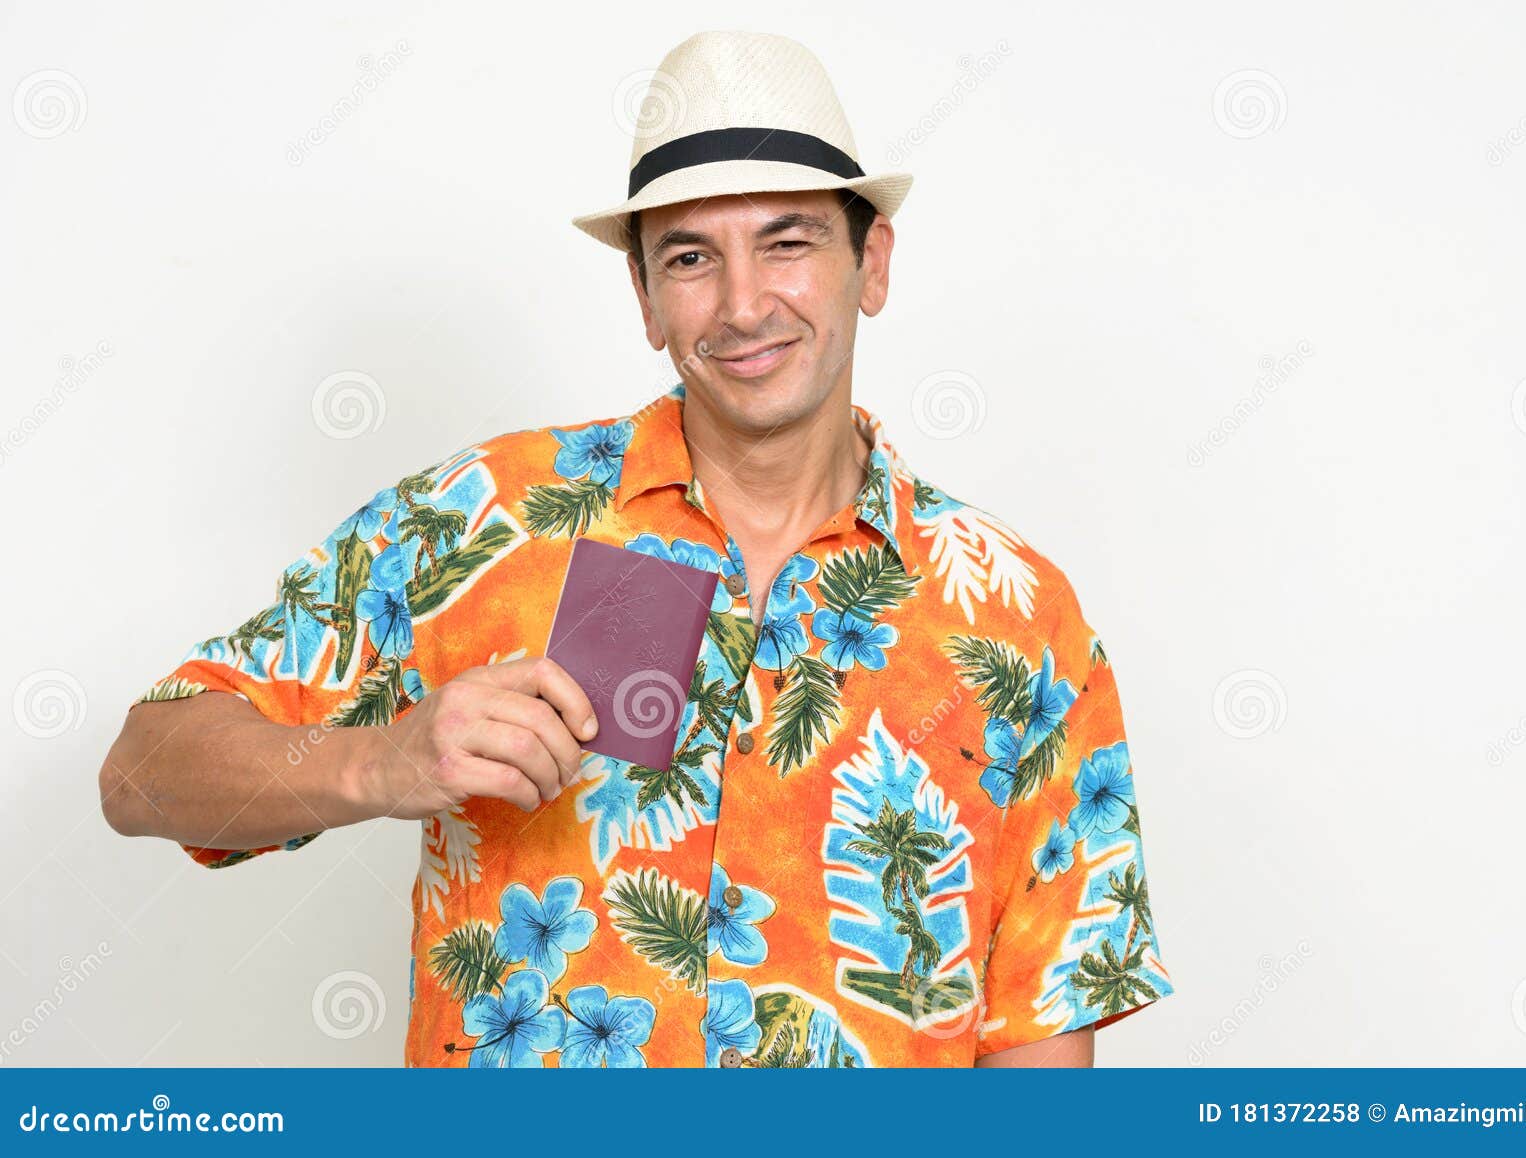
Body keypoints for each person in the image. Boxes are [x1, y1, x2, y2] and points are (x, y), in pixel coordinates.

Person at [100, 29, 1174, 1068]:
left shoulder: (1016, 615)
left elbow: (1040, 1027)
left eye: (789, 240)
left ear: (872, 263)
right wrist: (377, 760)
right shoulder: (485, 520)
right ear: (646, 298)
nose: (744, 305)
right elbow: (142, 772)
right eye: (692, 256)